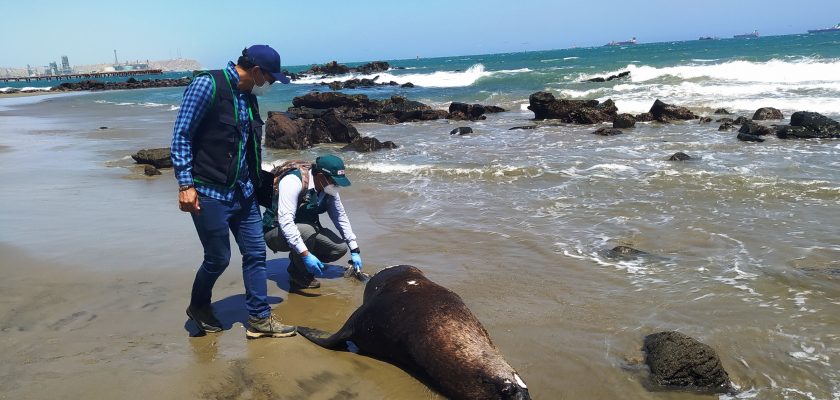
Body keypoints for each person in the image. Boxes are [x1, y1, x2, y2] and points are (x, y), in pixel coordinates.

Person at [171, 44, 296, 339]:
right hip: (209, 191)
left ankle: (259, 318)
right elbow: (181, 135)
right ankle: (199, 306)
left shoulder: (249, 97)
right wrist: (185, 185)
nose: (272, 84)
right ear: (255, 72)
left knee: (255, 253)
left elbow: (247, 146)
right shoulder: (207, 85)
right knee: (218, 258)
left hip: (244, 192)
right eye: (271, 78)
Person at [262, 155, 362, 289]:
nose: (337, 186)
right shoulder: (293, 181)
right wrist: (306, 255)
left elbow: (340, 217)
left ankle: (300, 260)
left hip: (305, 230)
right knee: (307, 231)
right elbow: (286, 222)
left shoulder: (327, 188)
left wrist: (354, 249)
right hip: (275, 232)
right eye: (335, 181)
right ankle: (298, 273)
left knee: (339, 248)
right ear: (320, 176)